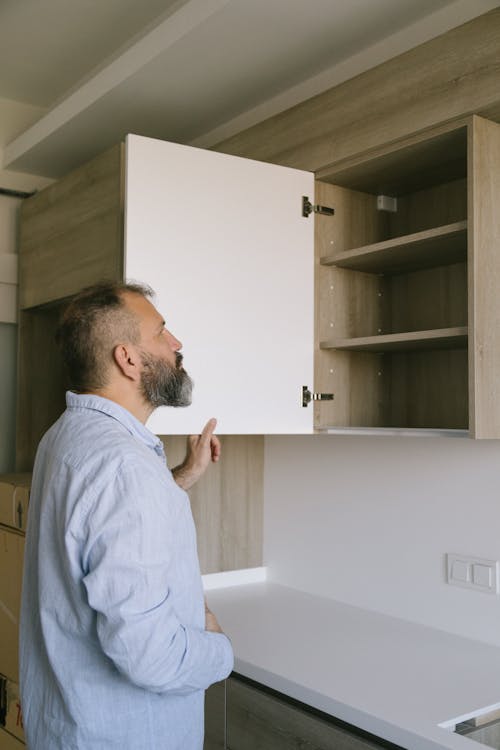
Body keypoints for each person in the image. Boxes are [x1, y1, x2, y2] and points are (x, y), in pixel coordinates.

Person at [19, 281, 234, 750]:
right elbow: (149, 657)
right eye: (162, 332)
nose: (177, 344)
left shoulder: (66, 436)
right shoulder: (124, 468)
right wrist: (220, 651)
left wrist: (177, 478)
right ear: (129, 359)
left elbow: (96, 527)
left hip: (70, 725)